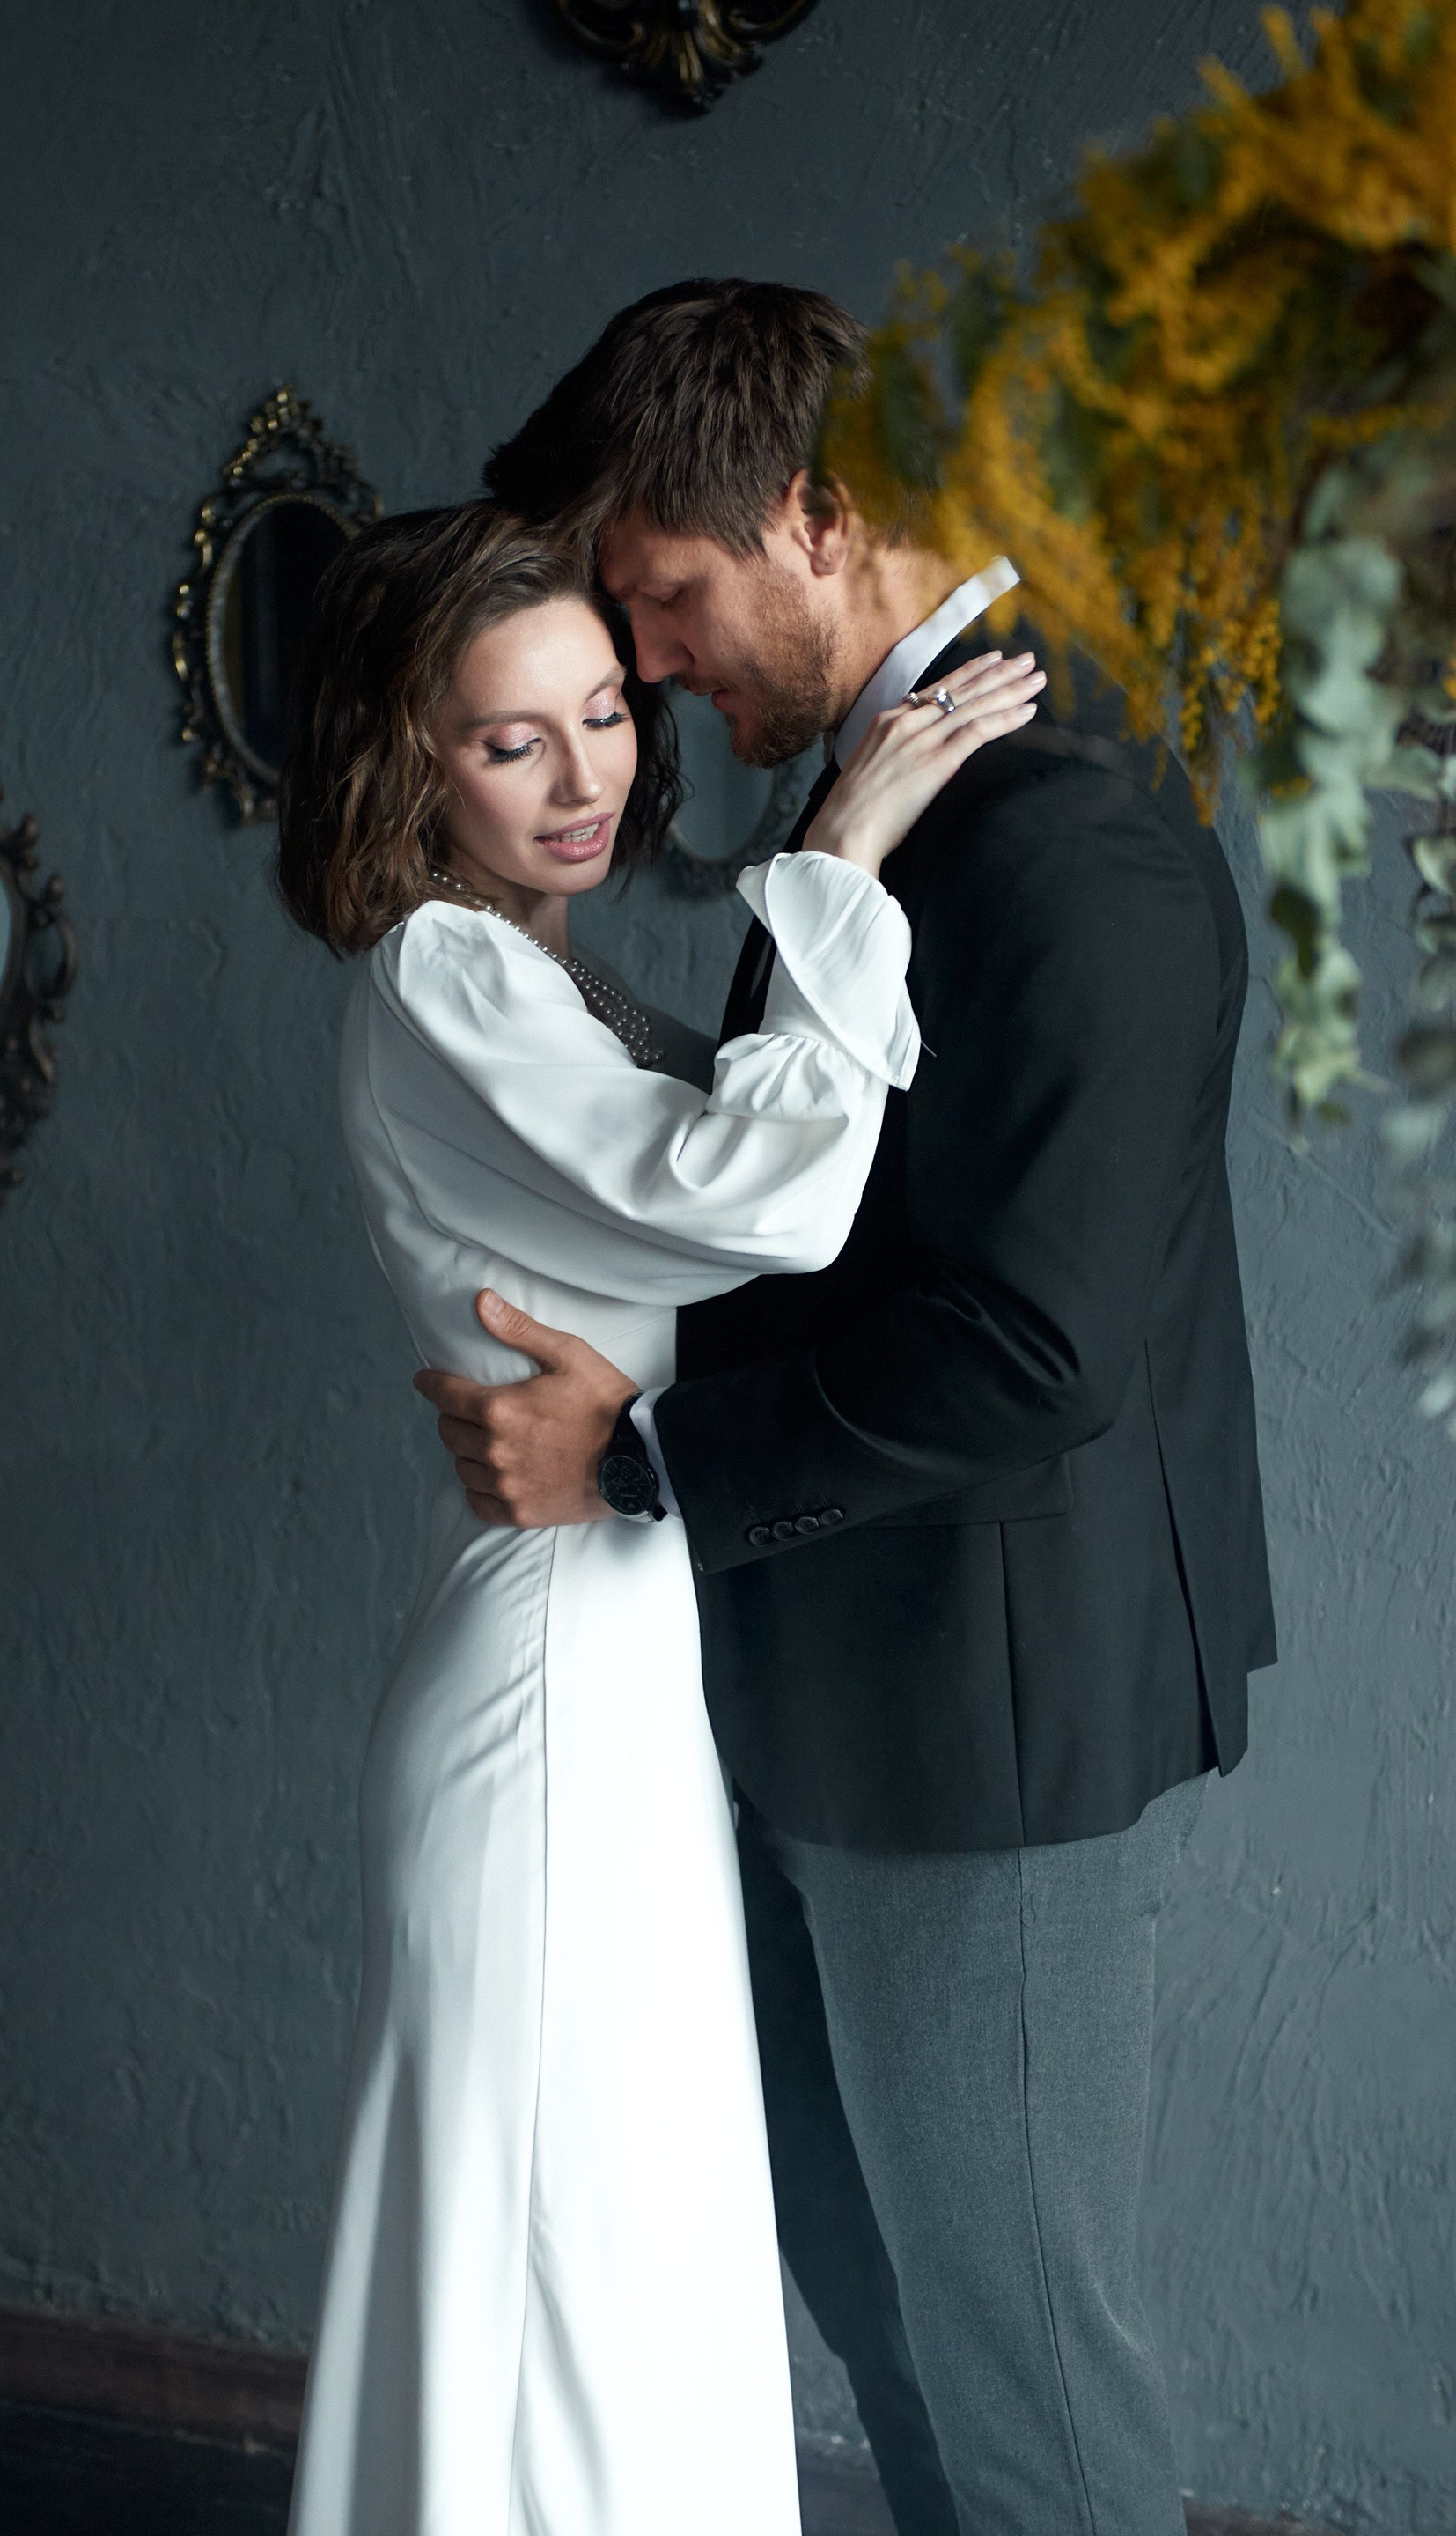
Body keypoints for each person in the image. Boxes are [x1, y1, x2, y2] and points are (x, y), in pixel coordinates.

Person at [416, 281, 1278, 2536]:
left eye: (663, 602)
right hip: (850, 1692)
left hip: (983, 1725)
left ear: (817, 514)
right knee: (895, 2318)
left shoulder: (1067, 820)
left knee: (1026, 2381)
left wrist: (636, 1458)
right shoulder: (892, 796)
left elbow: (1035, 1346)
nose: (646, 668)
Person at [274, 498, 1043, 2536]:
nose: (583, 773)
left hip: (613, 1650)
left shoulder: (538, 974)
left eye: (604, 712)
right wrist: (840, 859)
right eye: (509, 738)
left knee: (606, 2267)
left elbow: (752, 1209)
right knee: (577, 2289)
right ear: (410, 764)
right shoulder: (443, 970)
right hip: (552, 1687)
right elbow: (760, 1198)